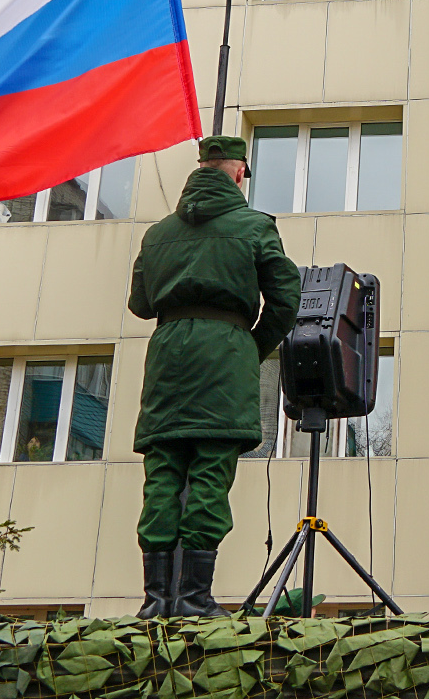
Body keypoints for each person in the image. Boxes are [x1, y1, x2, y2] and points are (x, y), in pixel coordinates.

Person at [127, 135, 301, 619]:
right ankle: (194, 598)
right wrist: (250, 346)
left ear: (199, 168)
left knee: (162, 473)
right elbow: (287, 298)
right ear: (239, 173)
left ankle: (156, 600)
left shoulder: (158, 233)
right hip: (224, 355)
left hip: (166, 357)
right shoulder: (254, 226)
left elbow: (141, 304)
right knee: (209, 471)